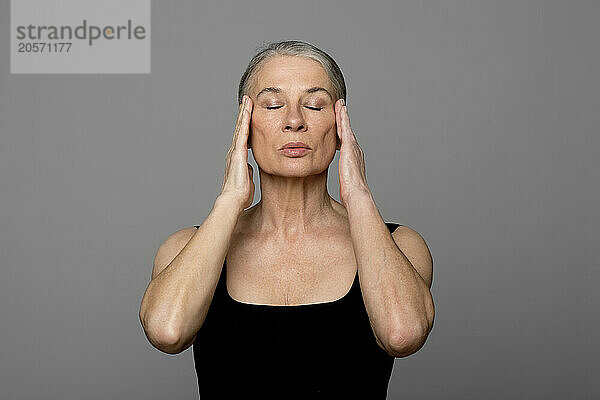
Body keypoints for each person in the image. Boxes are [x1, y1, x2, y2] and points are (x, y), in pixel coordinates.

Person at [139, 40, 434, 399]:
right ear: (245, 126)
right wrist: (230, 199)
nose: (294, 121)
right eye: (274, 105)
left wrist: (358, 194)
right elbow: (167, 332)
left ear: (341, 126)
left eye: (314, 105)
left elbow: (402, 334)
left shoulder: (400, 245)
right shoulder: (185, 248)